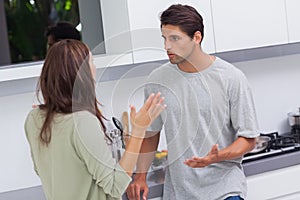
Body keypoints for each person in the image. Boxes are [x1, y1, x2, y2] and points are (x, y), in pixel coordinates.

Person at [126, 4, 259, 200]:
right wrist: (140, 177)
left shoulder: (231, 78)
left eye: (175, 39)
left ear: (197, 38)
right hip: (179, 193)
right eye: (164, 39)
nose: (167, 47)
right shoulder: (158, 81)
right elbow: (152, 133)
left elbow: (249, 139)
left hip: (225, 191)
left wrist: (218, 156)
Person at [24, 39, 166, 200]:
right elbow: (115, 185)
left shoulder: (34, 119)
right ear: (81, 73)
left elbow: (41, 169)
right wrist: (139, 130)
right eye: (92, 61)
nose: (95, 67)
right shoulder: (82, 121)